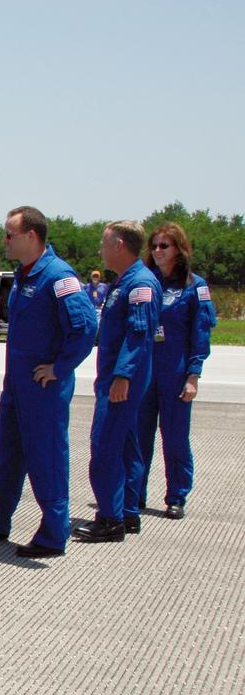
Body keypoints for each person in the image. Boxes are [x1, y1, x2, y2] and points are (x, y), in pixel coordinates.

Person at [0, 206, 97, 557]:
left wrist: (59, 367)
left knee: (46, 458)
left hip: (43, 389)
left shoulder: (58, 276)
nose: (4, 240)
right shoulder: (24, 274)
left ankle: (52, 535)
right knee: (8, 456)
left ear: (31, 236)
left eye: (10, 234)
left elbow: (85, 327)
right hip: (16, 385)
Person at [73, 220, 161, 542]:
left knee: (105, 445)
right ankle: (127, 513)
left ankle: (110, 519)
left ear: (119, 246)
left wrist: (123, 375)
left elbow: (138, 335)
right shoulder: (125, 282)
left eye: (104, 242)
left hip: (122, 379)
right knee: (126, 445)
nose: (100, 249)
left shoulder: (140, 284)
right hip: (118, 376)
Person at [127, 222, 217, 519]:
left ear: (179, 249)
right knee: (139, 435)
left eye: (164, 246)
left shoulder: (195, 286)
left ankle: (176, 495)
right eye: (154, 245)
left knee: (175, 436)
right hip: (146, 370)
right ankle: (134, 494)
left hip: (176, 371)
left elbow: (201, 332)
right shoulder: (147, 282)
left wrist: (193, 374)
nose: (157, 251)